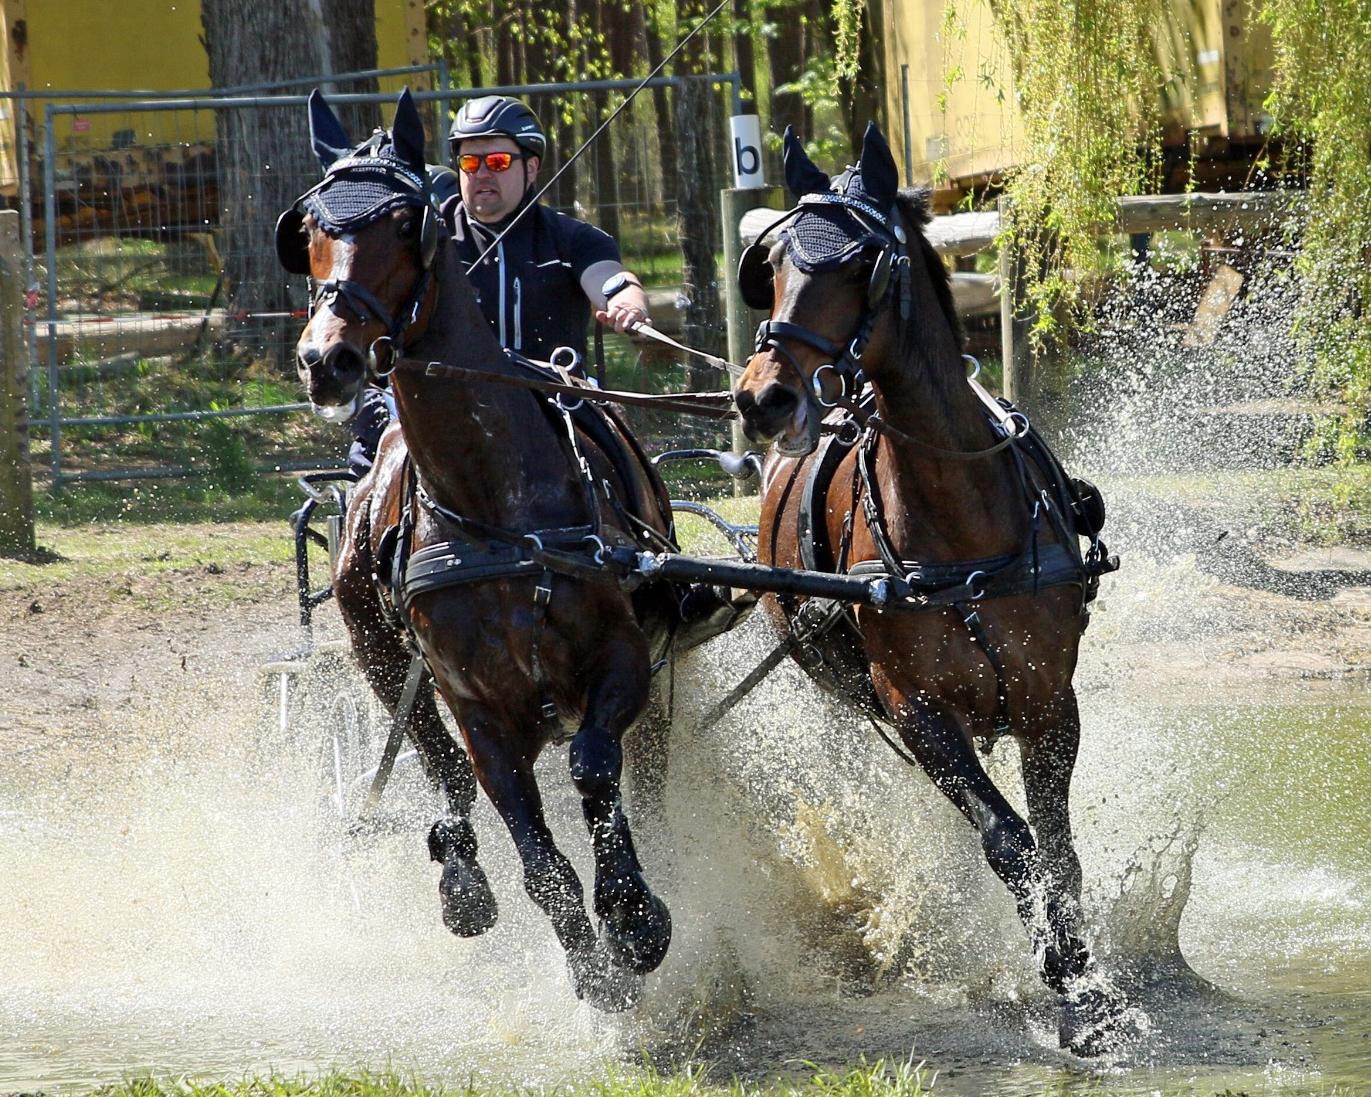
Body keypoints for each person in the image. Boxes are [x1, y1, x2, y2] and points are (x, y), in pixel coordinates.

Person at [345, 95, 651, 474]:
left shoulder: (573, 238)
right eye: (470, 163)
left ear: (532, 167)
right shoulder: (422, 239)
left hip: (555, 409)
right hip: (443, 412)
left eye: (498, 161)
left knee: (626, 463)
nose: (482, 173)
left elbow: (610, 280)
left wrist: (627, 303)